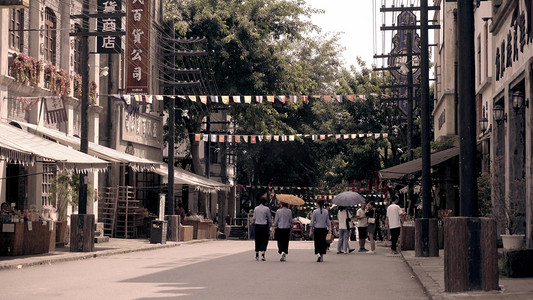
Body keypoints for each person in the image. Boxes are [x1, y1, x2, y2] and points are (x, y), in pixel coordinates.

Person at [253, 195, 272, 261]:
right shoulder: (267, 209)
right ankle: (263, 254)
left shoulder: (256, 208)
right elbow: (269, 219)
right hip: (264, 226)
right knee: (264, 240)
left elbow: (254, 218)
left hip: (257, 225)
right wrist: (270, 226)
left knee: (257, 239)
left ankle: (257, 253)